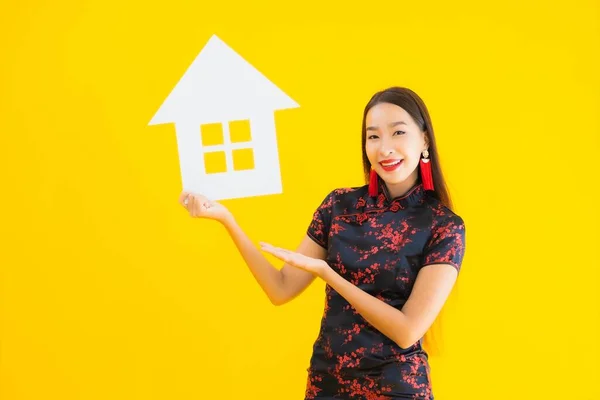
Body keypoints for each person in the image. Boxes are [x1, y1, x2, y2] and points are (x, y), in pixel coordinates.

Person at [179, 86, 466, 399]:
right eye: (373, 136)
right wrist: (226, 219)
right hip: (327, 385)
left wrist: (329, 274)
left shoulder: (444, 226)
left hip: (396, 389)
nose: (385, 148)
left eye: (398, 132)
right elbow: (280, 288)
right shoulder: (339, 206)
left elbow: (407, 330)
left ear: (424, 139)